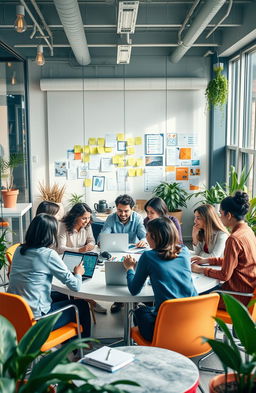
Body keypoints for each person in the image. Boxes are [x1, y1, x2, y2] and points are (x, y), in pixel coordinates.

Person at [7, 214, 91, 339]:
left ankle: (69, 344)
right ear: (50, 234)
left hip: (15, 314)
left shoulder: (20, 249)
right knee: (81, 305)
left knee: (62, 296)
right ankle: (82, 346)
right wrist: (78, 273)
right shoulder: (48, 254)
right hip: (37, 320)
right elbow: (76, 286)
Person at [123, 217, 197, 341]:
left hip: (164, 330)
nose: (145, 237)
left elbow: (134, 290)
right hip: (193, 323)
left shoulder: (148, 256)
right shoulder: (184, 251)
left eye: (147, 234)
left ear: (155, 237)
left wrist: (130, 268)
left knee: (140, 311)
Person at [191, 191, 256, 309]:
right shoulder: (247, 231)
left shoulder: (234, 239)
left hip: (236, 297)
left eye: (221, 214)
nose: (219, 217)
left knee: (191, 296)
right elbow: (235, 262)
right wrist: (208, 260)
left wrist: (200, 269)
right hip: (248, 292)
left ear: (229, 215)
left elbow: (224, 275)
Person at [100, 194, 147, 313]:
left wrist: (143, 240)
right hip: (115, 251)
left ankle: (135, 301)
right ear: (116, 208)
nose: (123, 214)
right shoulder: (111, 218)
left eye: (126, 211)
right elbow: (104, 235)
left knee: (132, 271)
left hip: (133, 252)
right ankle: (118, 300)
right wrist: (101, 241)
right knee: (117, 274)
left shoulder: (138, 218)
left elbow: (144, 236)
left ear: (132, 209)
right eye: (119, 210)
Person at [58, 203, 107, 314]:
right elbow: (60, 248)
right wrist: (79, 250)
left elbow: (92, 240)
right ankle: (90, 302)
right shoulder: (63, 225)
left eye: (89, 217)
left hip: (82, 256)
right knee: (79, 278)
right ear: (75, 217)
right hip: (67, 258)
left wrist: (90, 244)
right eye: (84, 218)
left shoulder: (87, 225)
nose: (87, 221)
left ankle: (85, 299)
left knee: (92, 275)